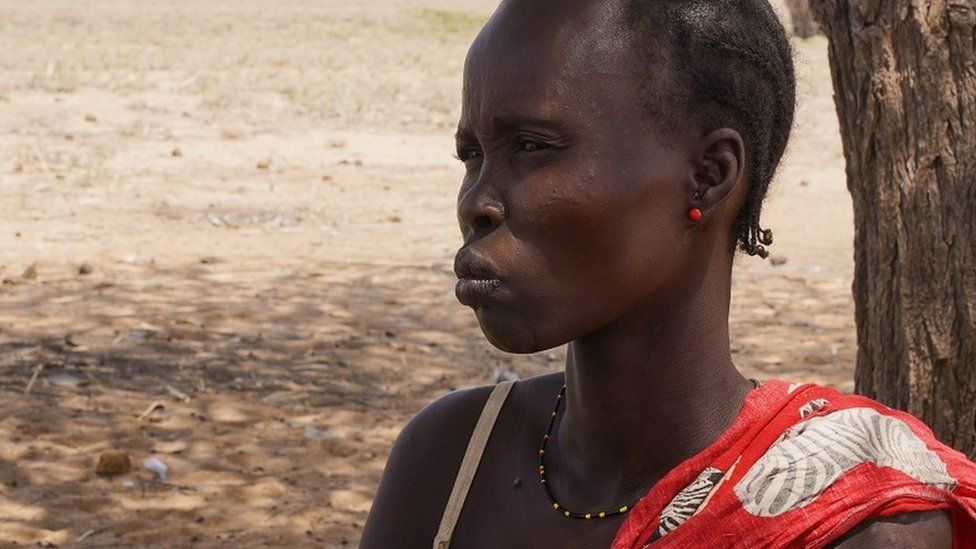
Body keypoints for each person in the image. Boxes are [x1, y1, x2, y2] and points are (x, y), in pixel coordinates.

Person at [360, 0, 976, 547]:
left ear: (710, 173)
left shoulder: (854, 523)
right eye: (473, 155)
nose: (477, 202)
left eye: (532, 145)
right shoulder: (452, 462)